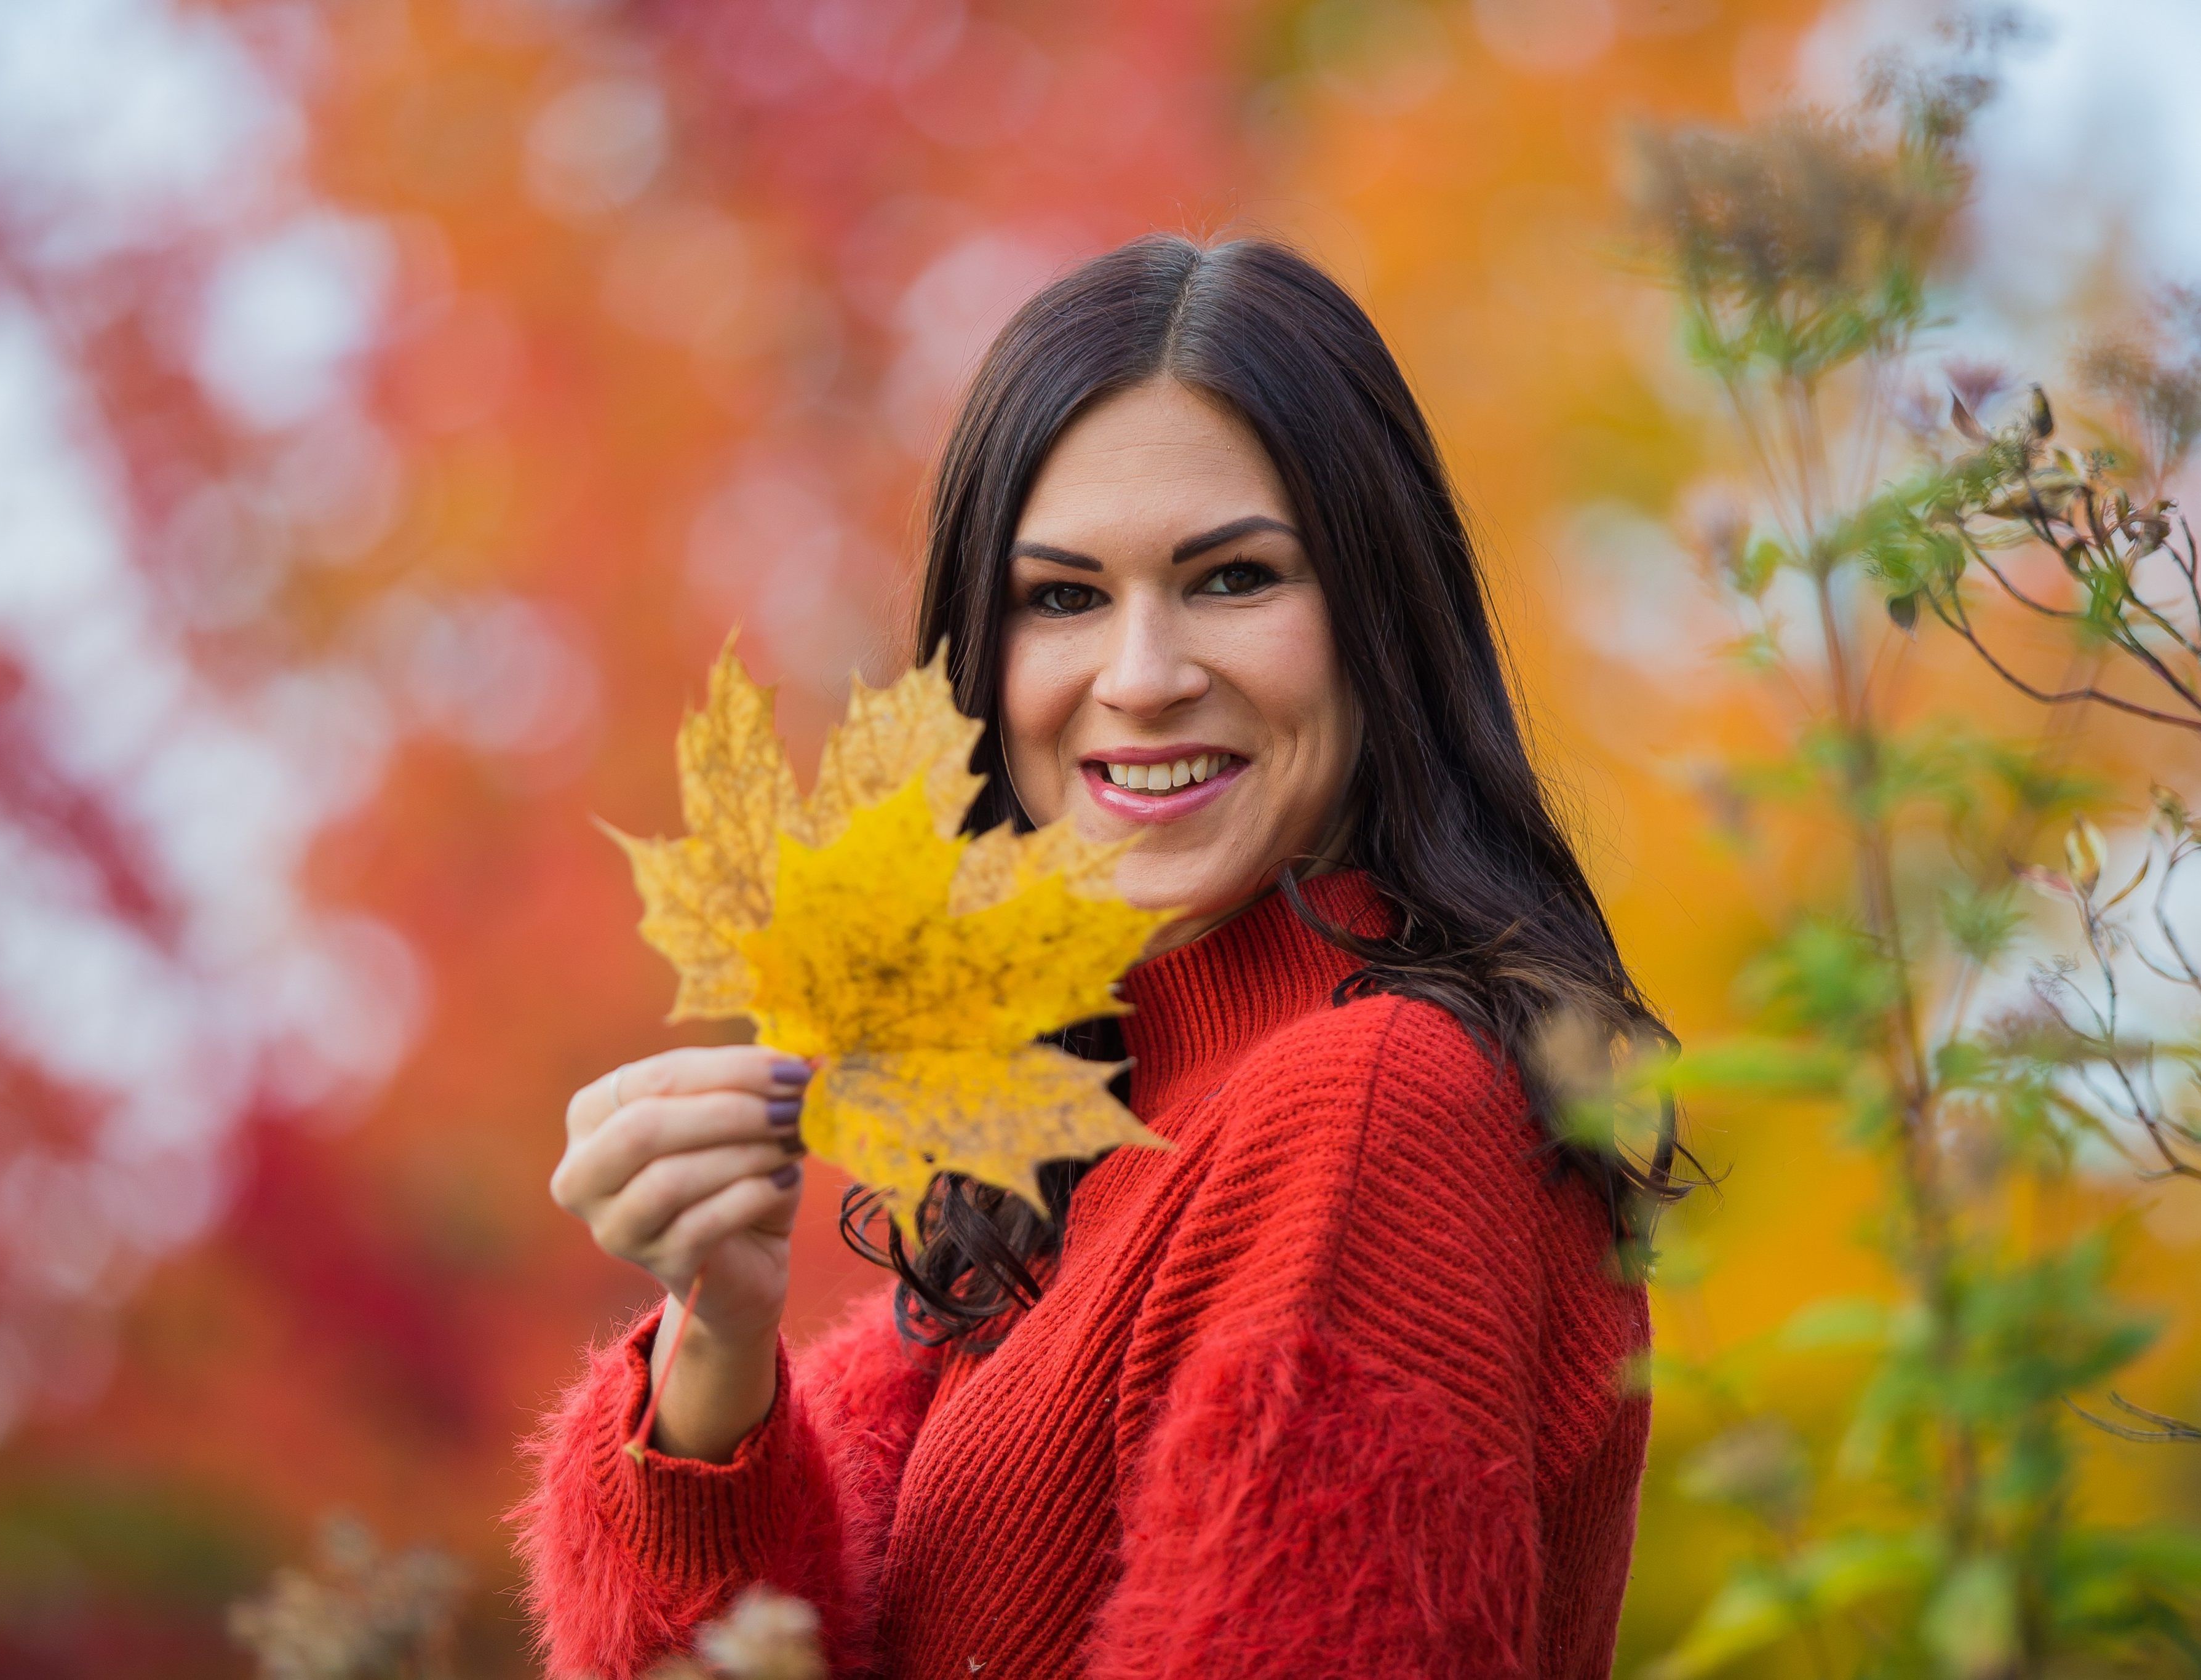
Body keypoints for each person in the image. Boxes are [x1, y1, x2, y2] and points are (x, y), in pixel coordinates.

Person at [511, 233, 1676, 1680]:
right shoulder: (1080, 1164)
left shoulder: (1372, 1109)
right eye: (1061, 597)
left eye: (1235, 578)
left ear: (1383, 615)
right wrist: (720, 1334)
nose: (1140, 675)